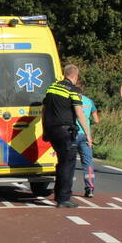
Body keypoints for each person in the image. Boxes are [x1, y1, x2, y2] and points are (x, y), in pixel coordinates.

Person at [42, 64, 92, 208]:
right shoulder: (73, 90)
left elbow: (44, 110)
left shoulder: (52, 87)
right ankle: (64, 199)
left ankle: (59, 194)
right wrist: (88, 134)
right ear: (75, 77)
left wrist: (45, 130)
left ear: (65, 74)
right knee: (68, 164)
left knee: (61, 162)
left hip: (52, 130)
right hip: (65, 131)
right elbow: (79, 113)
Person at [74, 87, 100, 198]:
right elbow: (96, 120)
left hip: (73, 134)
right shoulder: (89, 101)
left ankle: (65, 187)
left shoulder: (71, 100)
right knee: (88, 162)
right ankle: (89, 188)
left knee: (69, 161)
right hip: (86, 135)